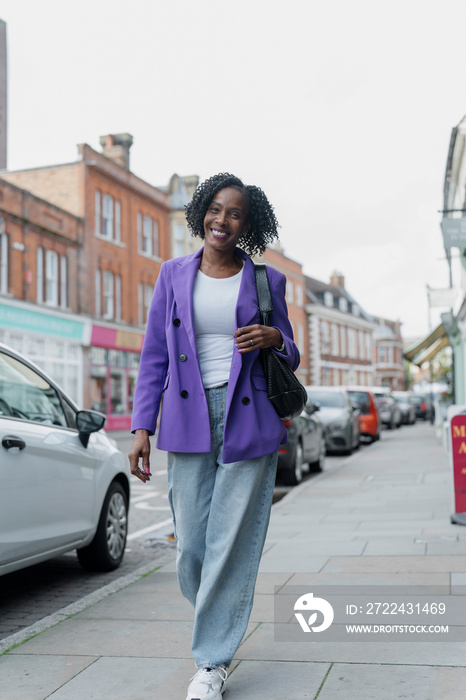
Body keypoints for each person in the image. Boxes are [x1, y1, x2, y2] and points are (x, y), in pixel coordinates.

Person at [129, 172, 300, 700]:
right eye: (216, 209)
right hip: (188, 416)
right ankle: (220, 619)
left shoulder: (267, 282)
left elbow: (290, 355)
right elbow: (155, 354)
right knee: (194, 549)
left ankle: (211, 661)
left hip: (248, 415)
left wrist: (275, 336)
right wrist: (141, 426)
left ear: (248, 226)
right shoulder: (172, 275)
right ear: (202, 211)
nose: (222, 220)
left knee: (232, 539)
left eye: (235, 215)